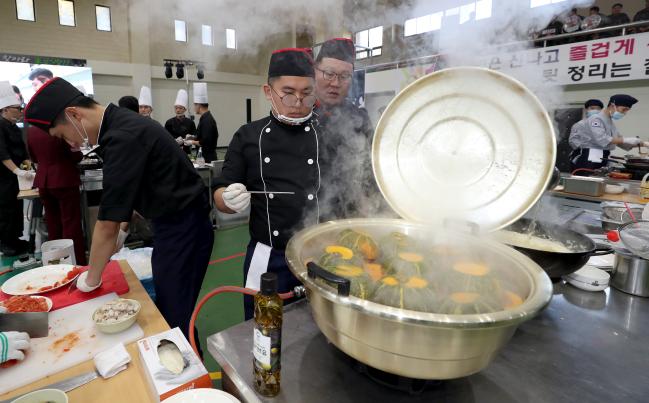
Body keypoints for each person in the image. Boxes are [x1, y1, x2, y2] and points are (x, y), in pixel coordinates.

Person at [24, 78, 213, 341]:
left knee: (173, 312)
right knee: (173, 303)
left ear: (75, 114)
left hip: (184, 230)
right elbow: (138, 188)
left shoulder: (123, 136)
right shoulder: (121, 123)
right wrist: (124, 229)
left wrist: (91, 279)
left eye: (62, 135)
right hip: (173, 225)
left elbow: (106, 224)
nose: (69, 144)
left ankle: (187, 369)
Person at [212, 48, 319, 320]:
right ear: (268, 91)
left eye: (307, 93)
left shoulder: (329, 133)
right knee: (262, 332)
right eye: (288, 92)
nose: (298, 102)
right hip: (269, 258)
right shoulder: (249, 136)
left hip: (320, 255)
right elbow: (221, 194)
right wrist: (228, 198)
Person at [313, 38, 386, 220]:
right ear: (315, 71)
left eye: (344, 76)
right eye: (329, 73)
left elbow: (370, 168)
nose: (335, 83)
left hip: (348, 215)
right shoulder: (298, 114)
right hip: (307, 217)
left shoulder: (359, 117)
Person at [26, 74, 86, 265]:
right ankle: (76, 262)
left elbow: (33, 157)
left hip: (43, 181)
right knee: (71, 223)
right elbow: (74, 155)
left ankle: (55, 263)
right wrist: (79, 153)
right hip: (64, 179)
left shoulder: (32, 130)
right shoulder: (60, 128)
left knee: (53, 223)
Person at [569, 94, 646, 172]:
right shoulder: (596, 119)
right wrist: (625, 140)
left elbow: (620, 142)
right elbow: (602, 139)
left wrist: (643, 144)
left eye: (627, 110)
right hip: (590, 158)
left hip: (602, 157)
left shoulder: (610, 122)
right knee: (587, 181)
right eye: (624, 109)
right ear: (613, 106)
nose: (625, 113)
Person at [0, 81, 33, 257]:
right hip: (4, 177)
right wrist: (17, 171)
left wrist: (27, 169)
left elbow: (23, 151)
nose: (20, 111)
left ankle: (15, 239)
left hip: (15, 177)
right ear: (5, 109)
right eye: (17, 108)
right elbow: (2, 153)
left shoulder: (14, 127)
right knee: (6, 210)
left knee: (16, 208)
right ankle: (6, 243)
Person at [188, 83, 218, 163]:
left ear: (199, 105)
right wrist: (192, 137)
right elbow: (202, 136)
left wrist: (191, 142)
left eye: (194, 105)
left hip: (207, 158)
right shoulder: (204, 118)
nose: (194, 107)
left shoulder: (207, 120)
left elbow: (205, 142)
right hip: (203, 156)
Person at [164, 89, 196, 154]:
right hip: (173, 150)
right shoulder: (169, 122)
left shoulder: (190, 122)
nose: (178, 110)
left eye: (180, 108)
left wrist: (191, 137)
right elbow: (165, 137)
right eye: (176, 108)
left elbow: (195, 136)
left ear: (185, 109)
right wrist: (174, 141)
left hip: (186, 150)